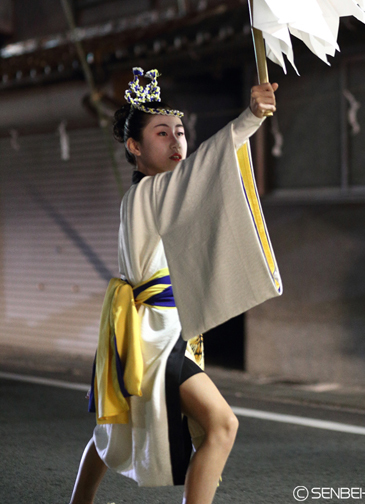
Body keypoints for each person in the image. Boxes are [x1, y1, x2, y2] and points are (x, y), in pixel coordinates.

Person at [69, 67, 280, 504]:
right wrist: (250, 118)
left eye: (180, 132)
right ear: (135, 147)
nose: (177, 141)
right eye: (162, 133)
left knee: (112, 433)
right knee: (222, 425)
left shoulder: (153, 195)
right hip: (152, 338)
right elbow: (204, 169)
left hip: (156, 333)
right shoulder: (152, 192)